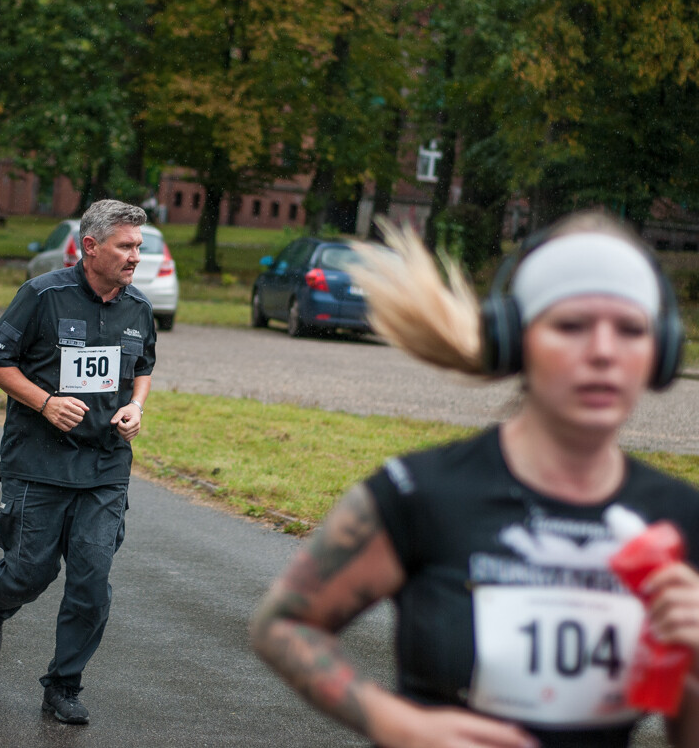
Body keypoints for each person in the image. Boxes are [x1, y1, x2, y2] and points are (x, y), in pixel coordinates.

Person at [250, 213, 699, 748]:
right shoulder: (421, 492)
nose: (604, 351)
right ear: (516, 340)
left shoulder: (679, 516)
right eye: (571, 325)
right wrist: (397, 724)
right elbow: (282, 625)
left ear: (661, 352)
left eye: (631, 329)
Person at [0, 199, 157, 725]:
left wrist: (135, 407)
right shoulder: (42, 295)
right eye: (126, 246)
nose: (135, 256)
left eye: (139, 247)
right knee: (30, 572)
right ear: (90, 246)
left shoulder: (138, 307)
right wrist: (45, 402)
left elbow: (143, 365)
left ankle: (63, 685)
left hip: (104, 467)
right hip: (38, 463)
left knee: (92, 581)